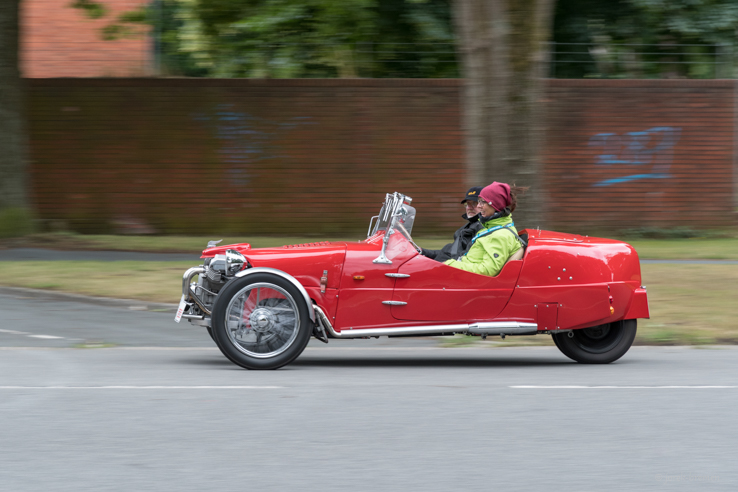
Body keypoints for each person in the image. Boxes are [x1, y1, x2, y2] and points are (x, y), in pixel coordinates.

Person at [444, 182, 526, 277]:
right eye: (479, 201)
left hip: (467, 280)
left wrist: (450, 265)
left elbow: (487, 270)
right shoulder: (490, 227)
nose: (478, 206)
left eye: (483, 202)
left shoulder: (500, 235)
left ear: (495, 205)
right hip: (462, 273)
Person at [421, 186, 484, 262]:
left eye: (474, 203)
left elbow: (462, 257)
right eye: (467, 204)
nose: (469, 207)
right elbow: (449, 253)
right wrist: (422, 251)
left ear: (483, 205)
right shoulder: (467, 227)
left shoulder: (482, 229)